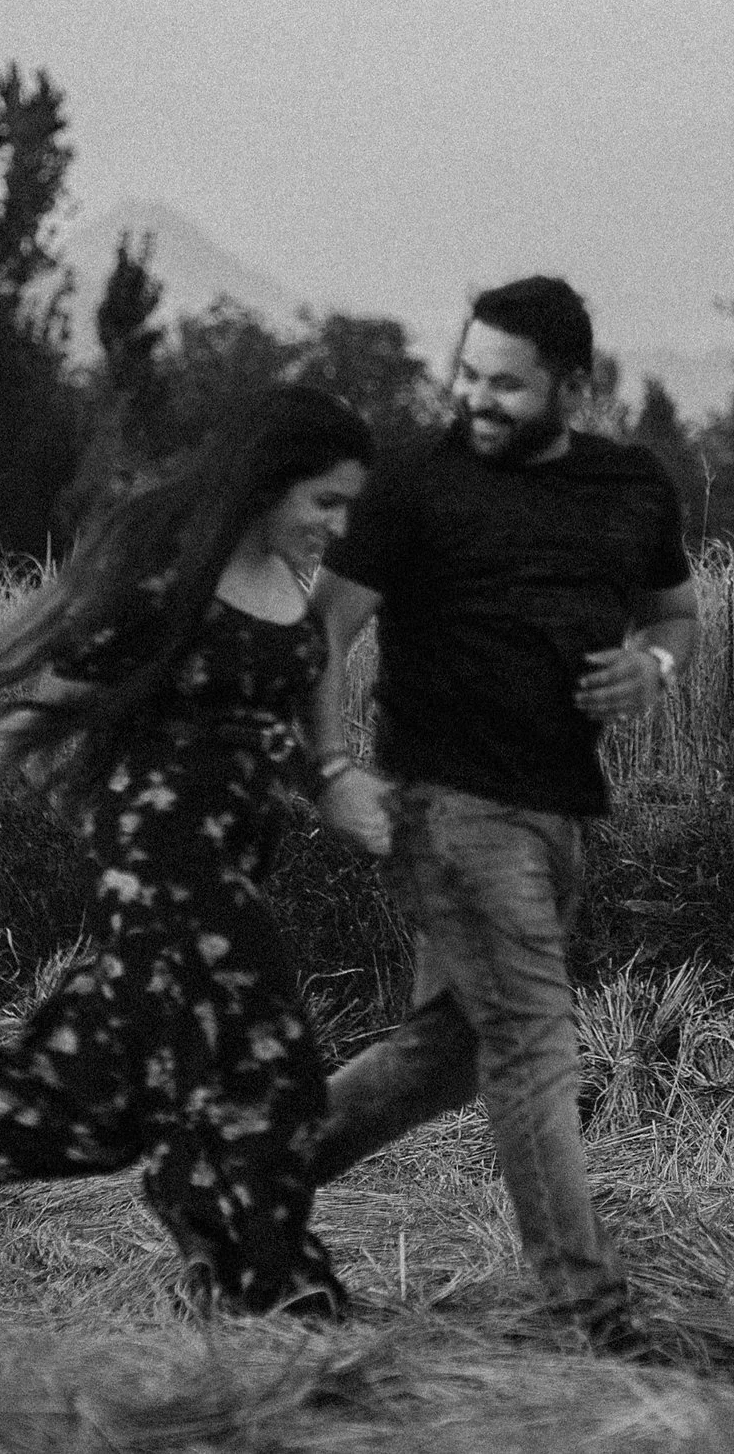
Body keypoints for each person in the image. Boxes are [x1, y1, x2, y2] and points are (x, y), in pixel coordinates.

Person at [0, 386, 377, 1321]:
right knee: (275, 1064)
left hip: (231, 870)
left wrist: (344, 786)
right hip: (163, 872)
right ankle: (263, 1278)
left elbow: (279, 739)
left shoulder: (295, 590)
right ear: (270, 486)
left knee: (94, 1097)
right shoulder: (172, 582)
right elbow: (48, 703)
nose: (338, 524)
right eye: (324, 502)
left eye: (349, 505)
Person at [304, 274, 698, 1355]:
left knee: (449, 1054)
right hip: (445, 805)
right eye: (466, 373)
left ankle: (237, 1179)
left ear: (572, 385)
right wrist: (330, 766)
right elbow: (320, 632)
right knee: (533, 1041)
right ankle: (588, 1312)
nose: (475, 397)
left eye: (505, 384)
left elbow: (674, 611)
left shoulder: (631, 483)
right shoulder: (413, 486)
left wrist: (652, 666)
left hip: (560, 811)